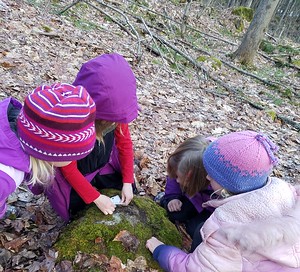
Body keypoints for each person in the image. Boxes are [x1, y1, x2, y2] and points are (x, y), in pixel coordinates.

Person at [146, 130, 300, 272]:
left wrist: (161, 251)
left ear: (229, 182)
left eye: (212, 175)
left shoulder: (228, 227)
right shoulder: (282, 190)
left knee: (204, 236)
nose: (207, 176)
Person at [36, 53, 139, 221]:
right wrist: (95, 197)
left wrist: (127, 181)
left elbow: (125, 144)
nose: (113, 124)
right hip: (76, 174)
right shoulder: (72, 122)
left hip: (101, 165)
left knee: (127, 191)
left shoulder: (116, 114)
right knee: (77, 211)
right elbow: (68, 168)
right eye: (107, 122)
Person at [0, 83, 96, 219]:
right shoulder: (5, 178)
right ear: (49, 153)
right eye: (72, 155)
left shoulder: (18, 125)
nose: (76, 160)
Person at [158, 135, 213, 238]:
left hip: (211, 208)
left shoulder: (219, 181)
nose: (177, 180)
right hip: (193, 197)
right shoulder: (185, 158)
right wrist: (172, 197)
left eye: (178, 177)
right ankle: (164, 198)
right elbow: (173, 178)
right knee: (175, 213)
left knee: (195, 230)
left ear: (190, 176)